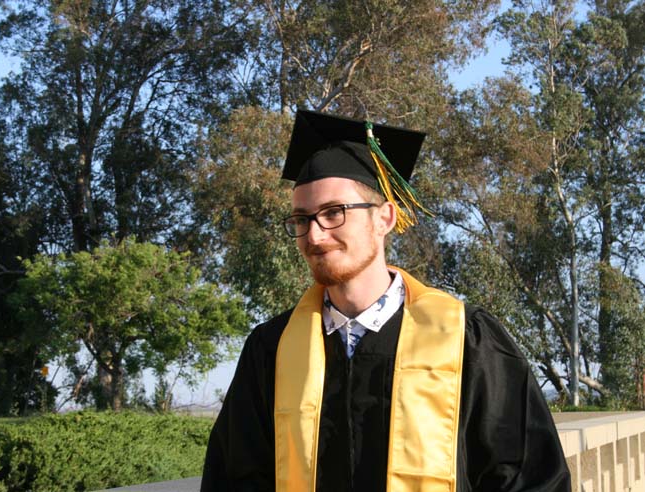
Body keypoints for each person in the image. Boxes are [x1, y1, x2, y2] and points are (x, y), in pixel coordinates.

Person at [201, 109, 571, 492]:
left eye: (333, 213)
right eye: (301, 219)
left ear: (385, 219)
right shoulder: (271, 349)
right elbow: (234, 477)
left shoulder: (465, 338)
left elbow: (529, 477)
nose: (314, 236)